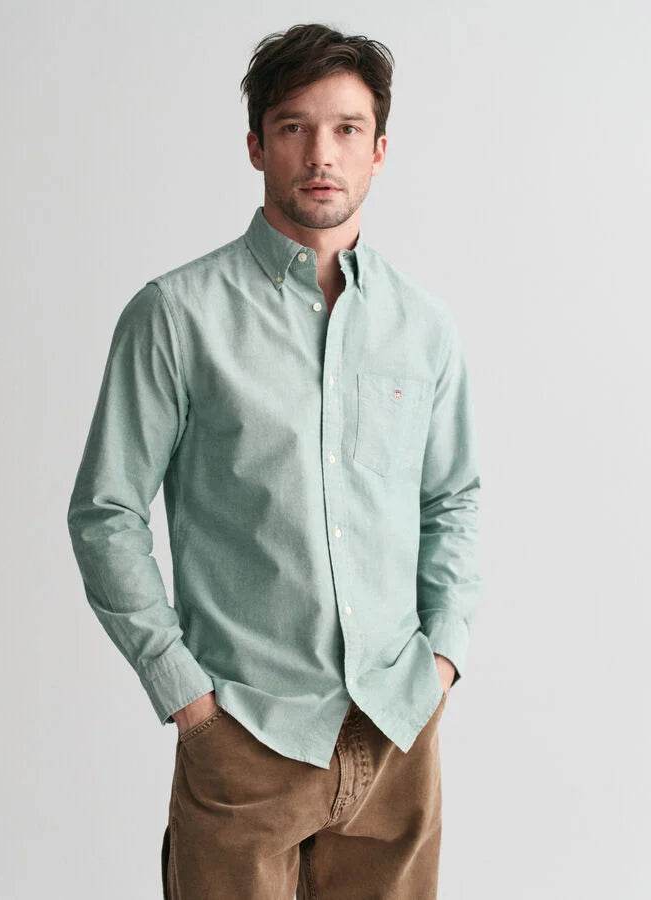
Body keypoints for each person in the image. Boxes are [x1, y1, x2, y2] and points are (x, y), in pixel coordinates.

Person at [67, 22, 482, 900]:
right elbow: (106, 510)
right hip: (246, 736)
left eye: (346, 129)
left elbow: (452, 499)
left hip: (397, 733)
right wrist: (187, 696)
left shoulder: (424, 327)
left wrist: (441, 657)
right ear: (256, 145)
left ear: (380, 149)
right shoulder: (176, 315)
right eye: (294, 127)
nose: (321, 153)